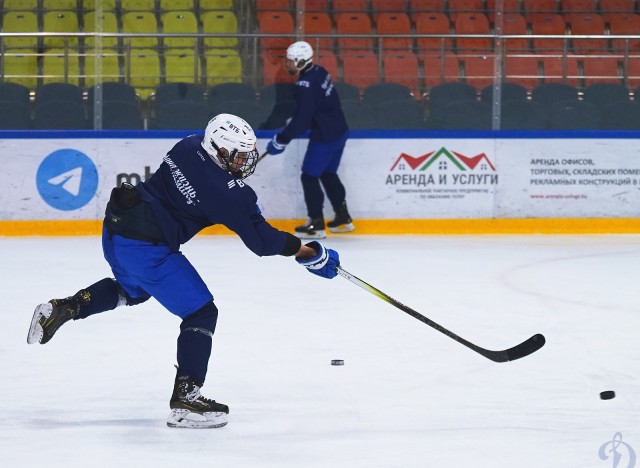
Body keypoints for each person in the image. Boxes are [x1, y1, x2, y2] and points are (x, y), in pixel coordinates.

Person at [27, 114, 340, 429]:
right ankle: (186, 398)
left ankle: (64, 307)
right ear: (218, 149)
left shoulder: (188, 146)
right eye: (240, 154)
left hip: (117, 230)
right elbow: (262, 241)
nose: (247, 161)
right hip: (147, 247)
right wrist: (308, 252)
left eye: (248, 153)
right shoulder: (230, 193)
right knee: (201, 313)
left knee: (133, 291)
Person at [266, 40, 354, 240]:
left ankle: (316, 223)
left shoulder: (305, 85)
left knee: (309, 176)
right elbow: (314, 107)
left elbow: (302, 120)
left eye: (290, 61)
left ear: (299, 61)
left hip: (325, 136)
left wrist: (282, 138)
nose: (286, 65)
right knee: (328, 173)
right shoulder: (320, 71)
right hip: (340, 131)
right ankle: (343, 218)